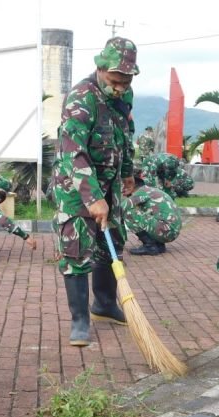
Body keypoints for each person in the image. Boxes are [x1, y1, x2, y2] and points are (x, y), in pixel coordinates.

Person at [50, 36, 139, 346]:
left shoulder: (124, 97)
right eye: (116, 80)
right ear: (101, 68)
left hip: (110, 185)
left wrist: (127, 172)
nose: (120, 86)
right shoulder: (81, 98)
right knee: (77, 250)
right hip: (77, 188)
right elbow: (72, 152)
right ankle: (80, 321)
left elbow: (125, 136)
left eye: (126, 81)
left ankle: (104, 304)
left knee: (112, 241)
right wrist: (92, 197)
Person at [124, 172, 183, 256]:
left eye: (125, 185)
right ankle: (158, 245)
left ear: (133, 184)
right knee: (142, 212)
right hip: (171, 230)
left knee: (129, 213)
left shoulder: (141, 192)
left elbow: (122, 208)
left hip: (167, 230)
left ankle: (150, 246)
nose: (123, 188)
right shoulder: (150, 190)